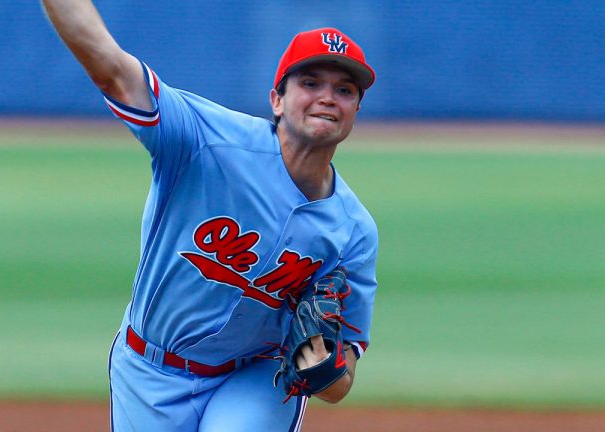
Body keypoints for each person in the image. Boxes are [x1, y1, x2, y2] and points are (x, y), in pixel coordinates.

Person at [42, 2, 379, 431]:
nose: (328, 97)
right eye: (310, 82)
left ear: (354, 111)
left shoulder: (353, 232)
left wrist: (326, 369)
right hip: (148, 368)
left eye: (345, 90)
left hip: (254, 375)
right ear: (276, 100)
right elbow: (110, 68)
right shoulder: (205, 140)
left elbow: (341, 377)